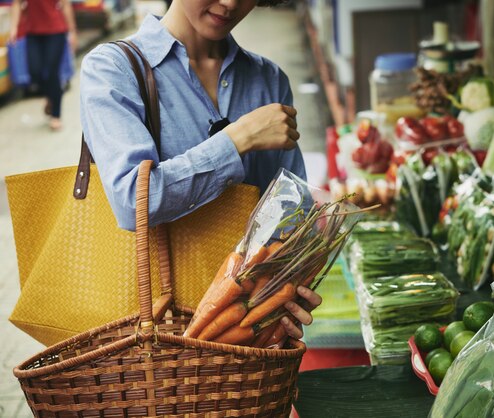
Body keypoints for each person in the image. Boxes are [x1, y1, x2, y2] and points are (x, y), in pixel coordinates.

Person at [79, 0, 319, 341]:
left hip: (250, 334)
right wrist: (237, 139)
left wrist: (292, 283)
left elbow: (292, 214)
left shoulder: (268, 79)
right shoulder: (113, 68)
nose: (231, 3)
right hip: (152, 338)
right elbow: (133, 202)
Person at [9, 0, 77, 131]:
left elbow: (65, 5)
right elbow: (17, 3)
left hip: (56, 31)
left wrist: (72, 31)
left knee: (52, 72)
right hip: (33, 33)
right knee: (34, 72)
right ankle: (50, 96)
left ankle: (56, 116)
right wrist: (13, 28)